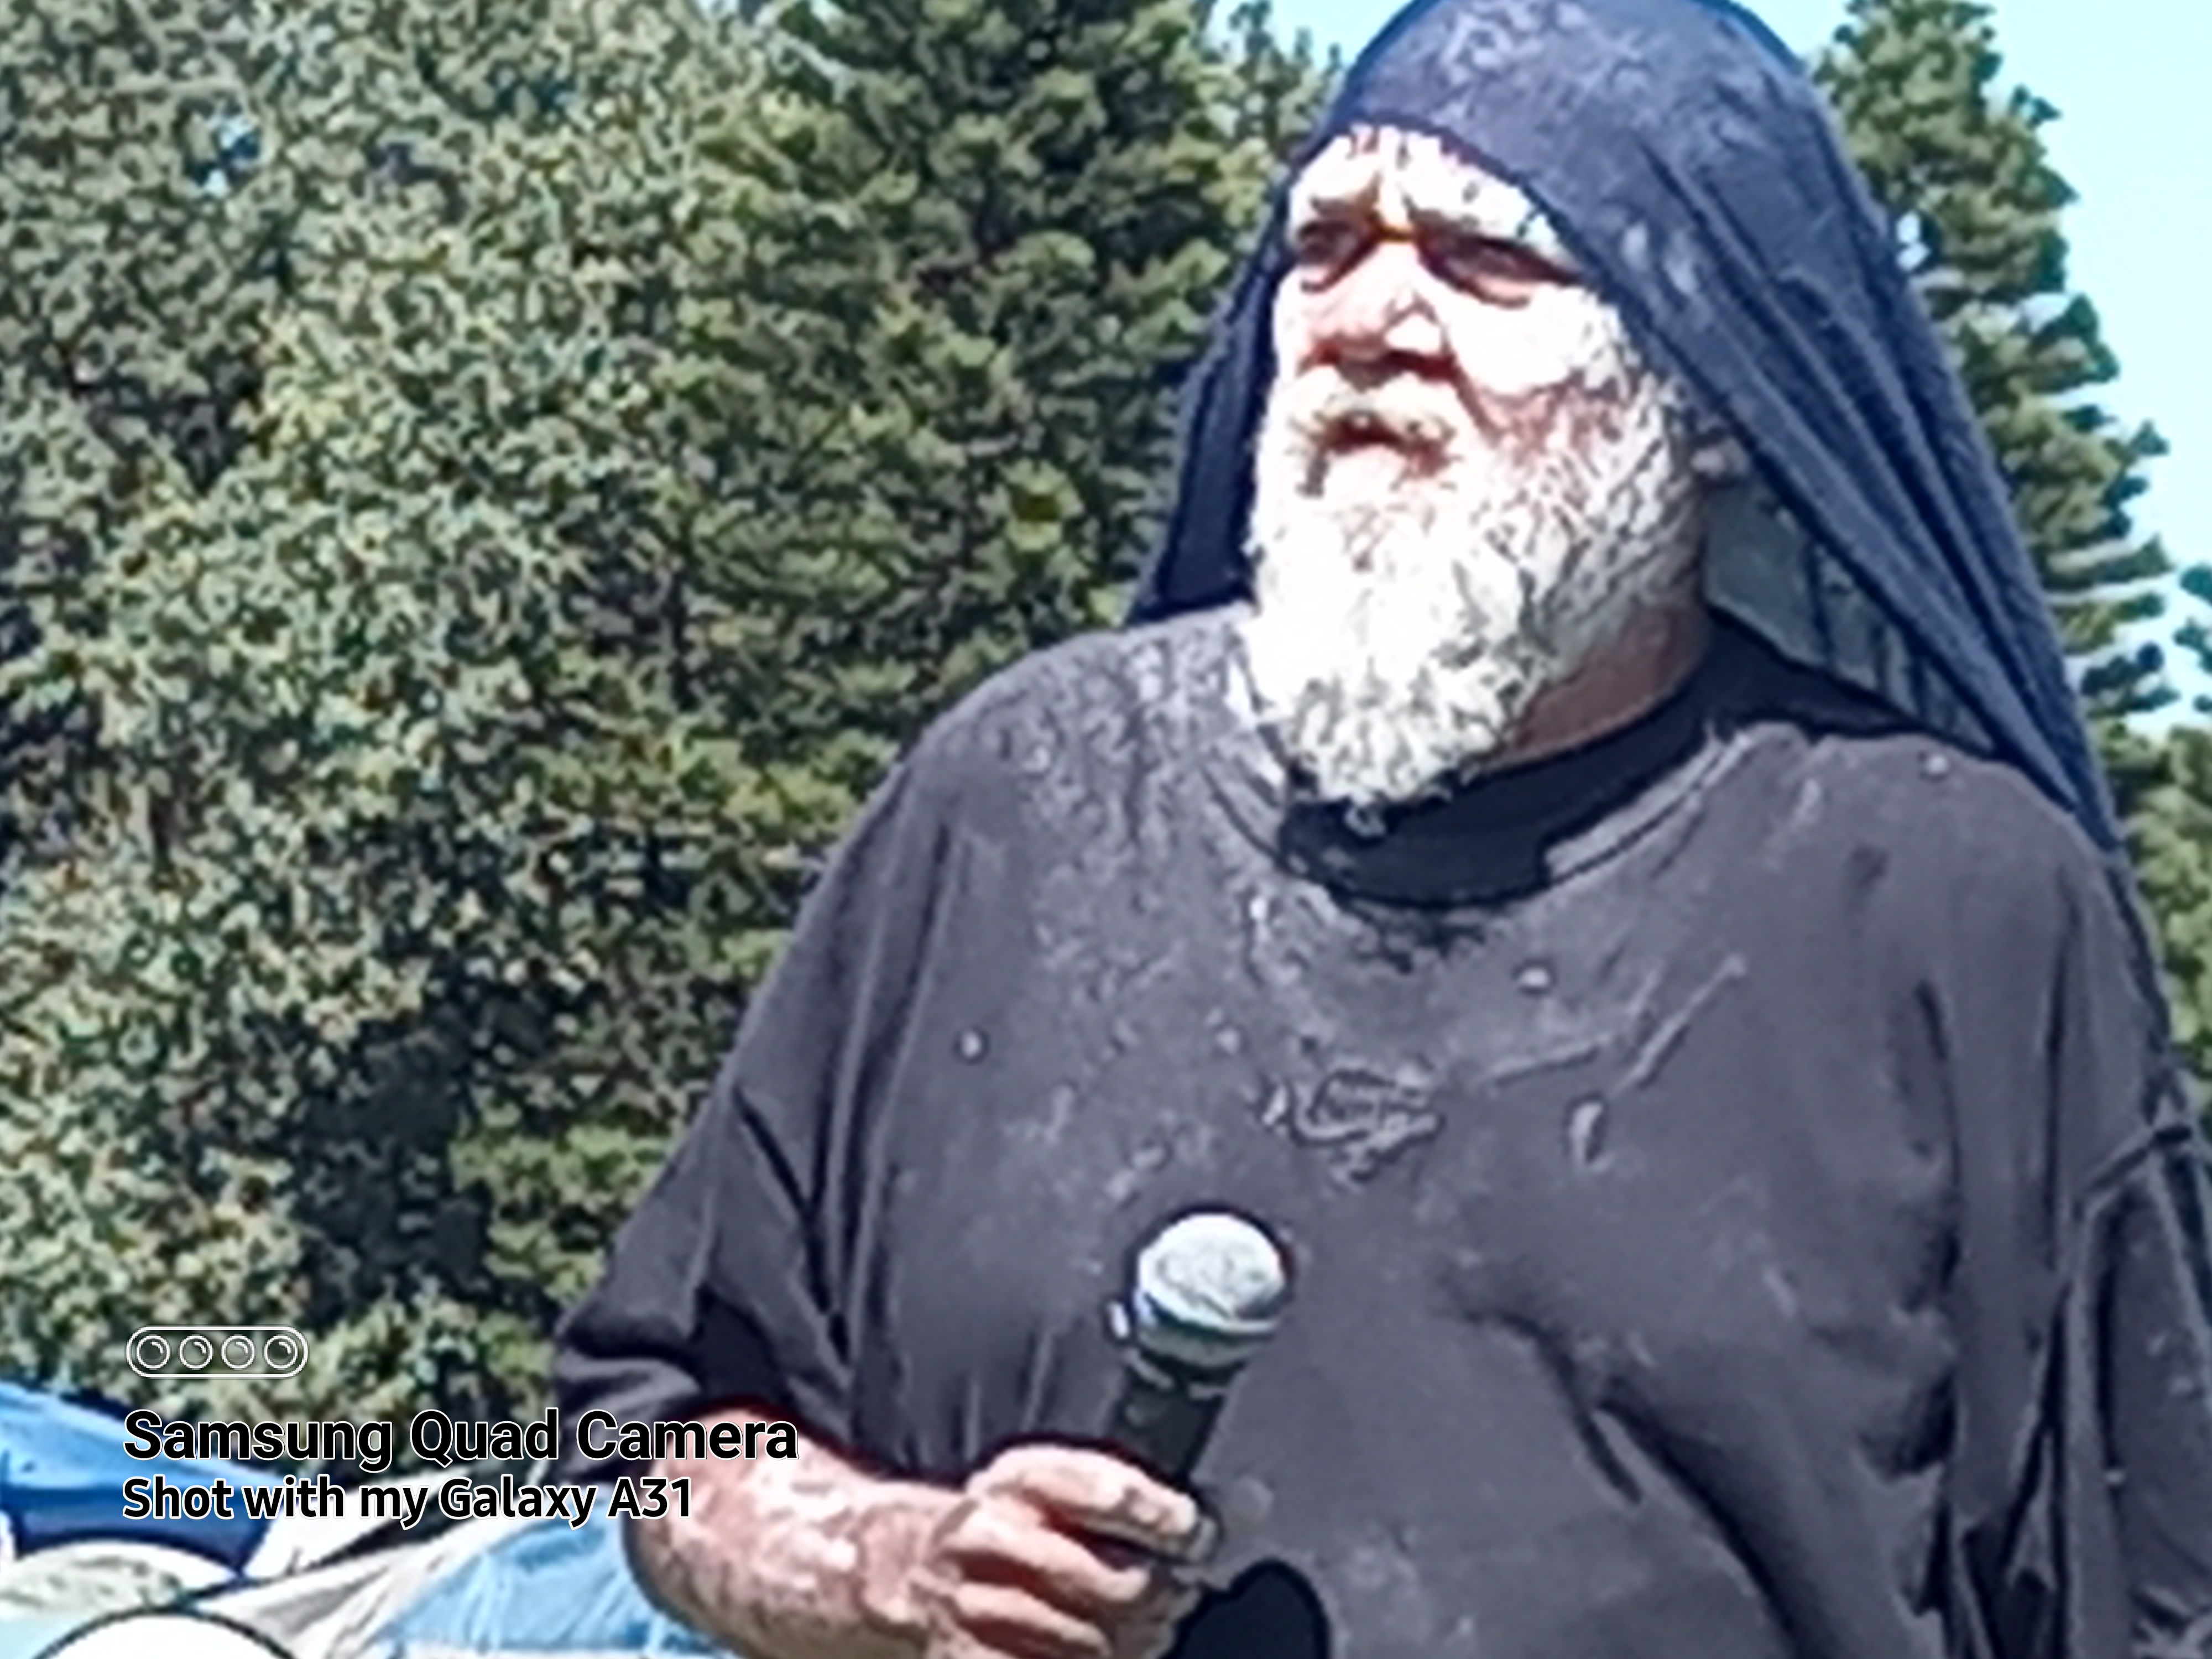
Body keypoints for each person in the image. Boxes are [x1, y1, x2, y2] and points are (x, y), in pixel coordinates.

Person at [550, 0, 2212, 1653]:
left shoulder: (1953, 907)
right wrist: (888, 1564)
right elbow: (663, 1425)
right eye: (1326, 246)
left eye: (1491, 259)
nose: (1373, 317)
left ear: (1707, 403)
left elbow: (2149, 1595)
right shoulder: (1016, 801)